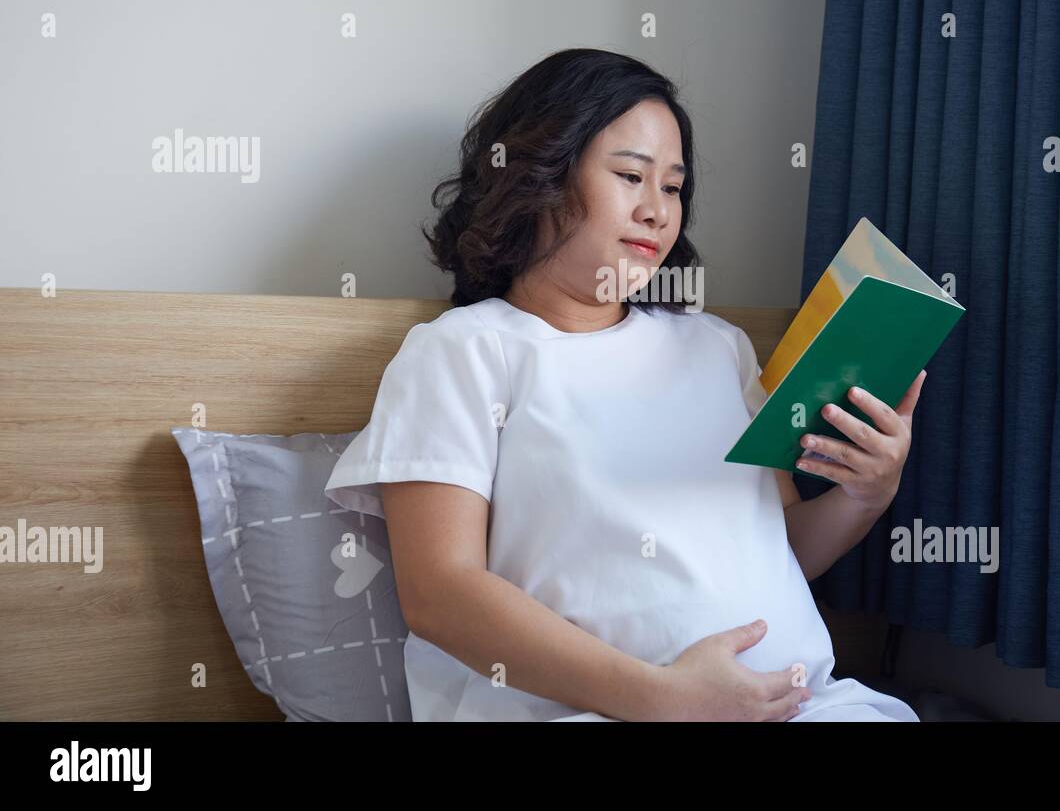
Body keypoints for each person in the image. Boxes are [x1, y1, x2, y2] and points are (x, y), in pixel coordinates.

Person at [324, 48, 923, 722]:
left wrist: (867, 495)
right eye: (631, 176)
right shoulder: (464, 353)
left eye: (672, 187)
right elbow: (440, 590)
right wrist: (661, 698)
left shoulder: (717, 348)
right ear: (538, 177)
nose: (658, 211)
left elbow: (780, 548)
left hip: (805, 708)